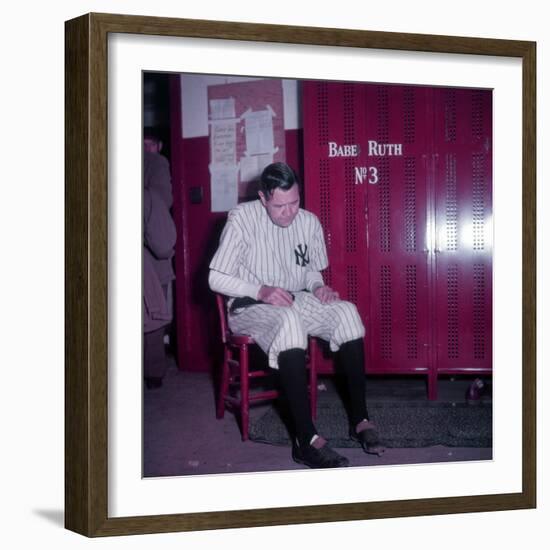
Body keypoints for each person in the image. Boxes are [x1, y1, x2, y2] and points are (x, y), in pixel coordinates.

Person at [208, 162, 384, 468]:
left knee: (347, 313)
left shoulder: (308, 222)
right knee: (290, 323)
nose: (289, 212)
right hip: (248, 305)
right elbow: (215, 278)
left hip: (293, 298)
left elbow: (310, 272)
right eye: (280, 206)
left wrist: (318, 287)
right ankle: (306, 440)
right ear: (263, 198)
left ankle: (361, 421)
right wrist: (260, 290)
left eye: (295, 202)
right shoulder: (241, 219)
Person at [143, 148, 176, 389]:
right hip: (152, 262)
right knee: (155, 318)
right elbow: (164, 202)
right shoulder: (156, 164)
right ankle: (153, 374)